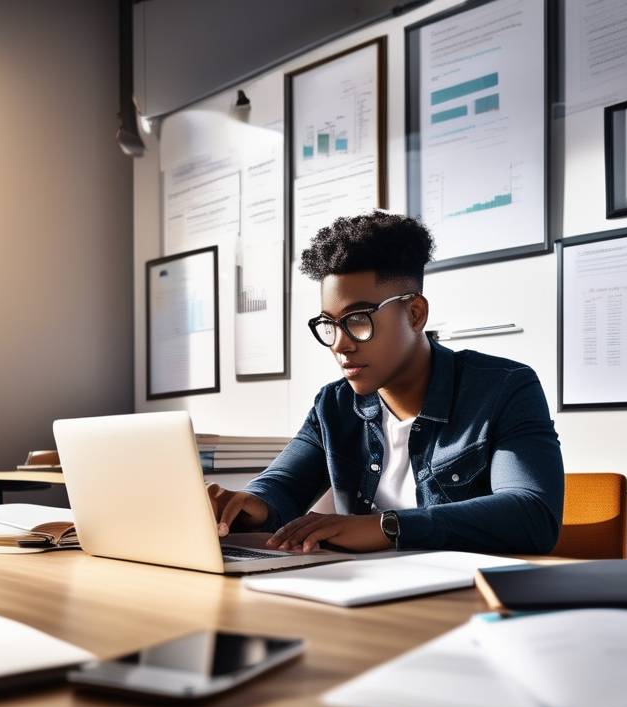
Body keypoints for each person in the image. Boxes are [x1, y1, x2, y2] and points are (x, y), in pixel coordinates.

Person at [206, 211, 564, 554]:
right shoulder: (334, 405)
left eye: (358, 319)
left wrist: (386, 527)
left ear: (415, 314)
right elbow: (281, 487)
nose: (340, 343)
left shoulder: (504, 389)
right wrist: (250, 504)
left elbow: (531, 514)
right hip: (362, 596)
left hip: (469, 598)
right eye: (329, 324)